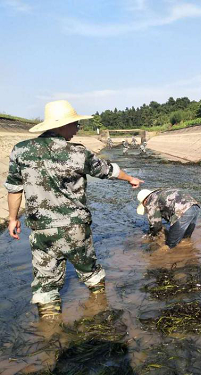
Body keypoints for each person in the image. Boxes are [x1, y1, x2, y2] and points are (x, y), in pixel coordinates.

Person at [4, 100, 144, 319]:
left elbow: (14, 188)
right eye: (75, 124)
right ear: (61, 126)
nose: (78, 129)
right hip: (75, 228)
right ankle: (99, 310)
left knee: (45, 286)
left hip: (42, 231)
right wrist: (130, 178)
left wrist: (13, 219)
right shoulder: (78, 152)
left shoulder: (21, 151)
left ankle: (50, 335)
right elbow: (108, 171)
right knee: (91, 273)